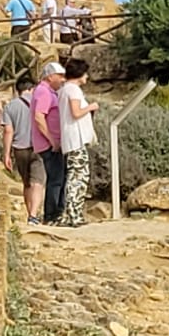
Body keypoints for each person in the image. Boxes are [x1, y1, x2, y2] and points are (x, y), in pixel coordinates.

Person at [57, 57, 99, 227]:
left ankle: (70, 214)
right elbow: (76, 112)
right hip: (76, 139)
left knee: (74, 175)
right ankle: (75, 215)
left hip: (71, 138)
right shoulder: (73, 90)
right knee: (78, 177)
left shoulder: (64, 90)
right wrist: (91, 107)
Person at [0, 75, 44, 224]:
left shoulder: (10, 106)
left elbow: (8, 131)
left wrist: (6, 154)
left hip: (20, 148)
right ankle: (33, 214)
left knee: (26, 183)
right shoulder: (41, 103)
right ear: (32, 88)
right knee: (37, 182)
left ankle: (29, 212)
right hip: (39, 146)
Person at [32, 62, 70, 224]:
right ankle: (52, 214)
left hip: (50, 143)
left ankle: (56, 212)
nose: (62, 79)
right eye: (59, 76)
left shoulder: (48, 92)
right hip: (49, 144)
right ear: (50, 76)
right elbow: (39, 117)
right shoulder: (44, 92)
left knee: (59, 177)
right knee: (56, 179)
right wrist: (52, 140)